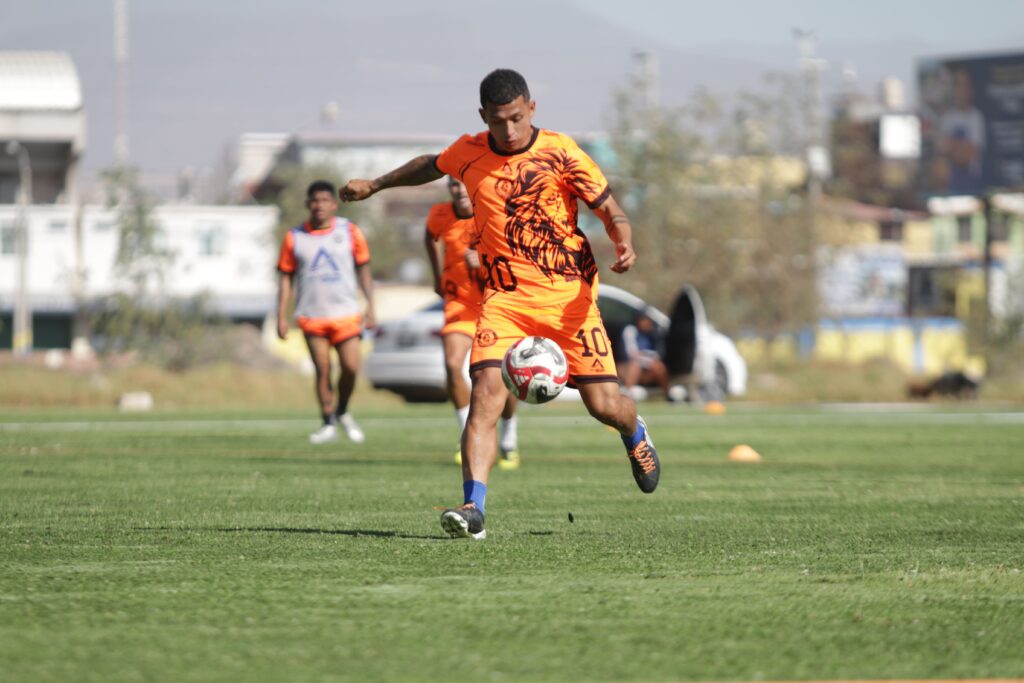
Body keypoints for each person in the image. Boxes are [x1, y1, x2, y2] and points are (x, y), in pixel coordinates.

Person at [340, 68, 660, 540]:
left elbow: (609, 208)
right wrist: (377, 184)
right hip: (505, 301)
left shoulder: (561, 152)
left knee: (604, 405)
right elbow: (431, 164)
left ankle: (636, 434)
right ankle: (474, 510)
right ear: (482, 117)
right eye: (496, 121)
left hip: (569, 300)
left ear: (531, 108)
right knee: (485, 399)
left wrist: (623, 241)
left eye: (514, 118)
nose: (507, 131)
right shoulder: (469, 152)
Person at [425, 176, 521, 470]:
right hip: (459, 305)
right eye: (453, 185)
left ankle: (509, 435)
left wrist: (484, 260)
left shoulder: (491, 212)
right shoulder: (439, 214)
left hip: (494, 305)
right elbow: (429, 236)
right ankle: (466, 433)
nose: (459, 190)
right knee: (453, 364)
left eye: (464, 184)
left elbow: (514, 255)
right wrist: (436, 276)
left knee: (504, 377)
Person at [277, 179, 376, 445]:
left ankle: (342, 409)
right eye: (314, 201)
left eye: (324, 200)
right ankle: (327, 421)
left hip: (346, 313)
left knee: (351, 367)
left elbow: (364, 270)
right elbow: (285, 279)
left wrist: (371, 307)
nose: (319, 205)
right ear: (308, 204)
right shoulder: (295, 237)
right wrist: (280, 316)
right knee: (322, 368)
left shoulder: (350, 231)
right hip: (312, 315)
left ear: (333, 203)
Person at [618, 312, 670, 401]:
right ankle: (627, 394)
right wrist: (647, 358)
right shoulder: (630, 330)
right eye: (643, 320)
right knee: (635, 366)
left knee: (660, 367)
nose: (646, 323)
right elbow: (632, 353)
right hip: (627, 365)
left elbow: (657, 354)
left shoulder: (655, 333)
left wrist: (646, 358)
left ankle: (668, 394)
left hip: (647, 366)